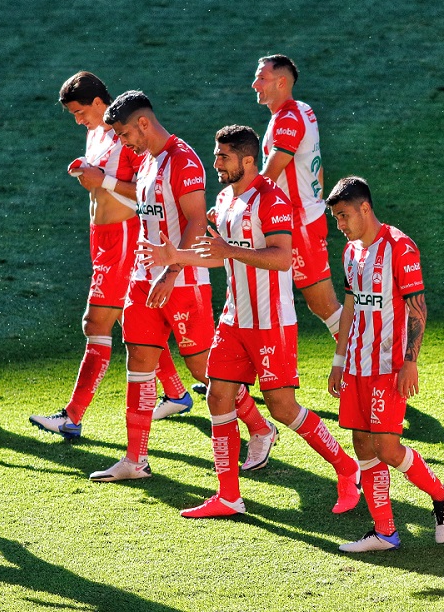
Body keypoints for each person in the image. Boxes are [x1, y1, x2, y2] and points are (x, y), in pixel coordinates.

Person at [137, 125, 360, 518]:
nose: (216, 163)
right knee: (217, 396)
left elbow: (282, 258)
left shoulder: (272, 201)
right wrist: (176, 258)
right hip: (234, 320)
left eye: (223, 157)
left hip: (271, 322)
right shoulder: (224, 200)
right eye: (216, 155)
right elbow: (218, 255)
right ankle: (228, 495)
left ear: (247, 160)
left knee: (282, 407)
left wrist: (227, 249)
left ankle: (346, 468)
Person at [90, 94, 274, 482]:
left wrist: (171, 270)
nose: (123, 143)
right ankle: (135, 460)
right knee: (138, 359)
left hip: (184, 282)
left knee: (205, 368)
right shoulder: (146, 161)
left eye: (124, 134)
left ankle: (260, 428)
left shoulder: (184, 160)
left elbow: (193, 221)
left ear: (143, 124)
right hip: (145, 279)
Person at [28, 72, 197, 440]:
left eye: (80, 112)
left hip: (123, 237)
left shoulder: (127, 139)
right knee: (129, 320)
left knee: (97, 322)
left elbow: (145, 190)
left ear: (99, 103)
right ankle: (177, 393)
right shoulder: (95, 135)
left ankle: (72, 416)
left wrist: (100, 180)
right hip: (102, 236)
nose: (78, 120)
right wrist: (88, 174)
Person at [325, 176, 444, 552]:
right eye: (336, 218)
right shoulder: (351, 252)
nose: (341, 225)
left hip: (388, 365)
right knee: (362, 445)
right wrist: (339, 359)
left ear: (365, 208)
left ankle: (443, 494)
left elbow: (418, 307)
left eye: (344, 216)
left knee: (386, 446)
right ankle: (385, 531)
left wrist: (410, 362)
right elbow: (351, 305)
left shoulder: (400, 247)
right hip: (355, 366)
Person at [251, 54, 343, 339]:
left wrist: (238, 202)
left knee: (323, 304)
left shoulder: (288, 119)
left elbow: (271, 171)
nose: (255, 84)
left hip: (298, 222)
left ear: (281, 82)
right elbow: (318, 166)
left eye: (262, 78)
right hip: (298, 217)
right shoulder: (302, 110)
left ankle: (369, 358)